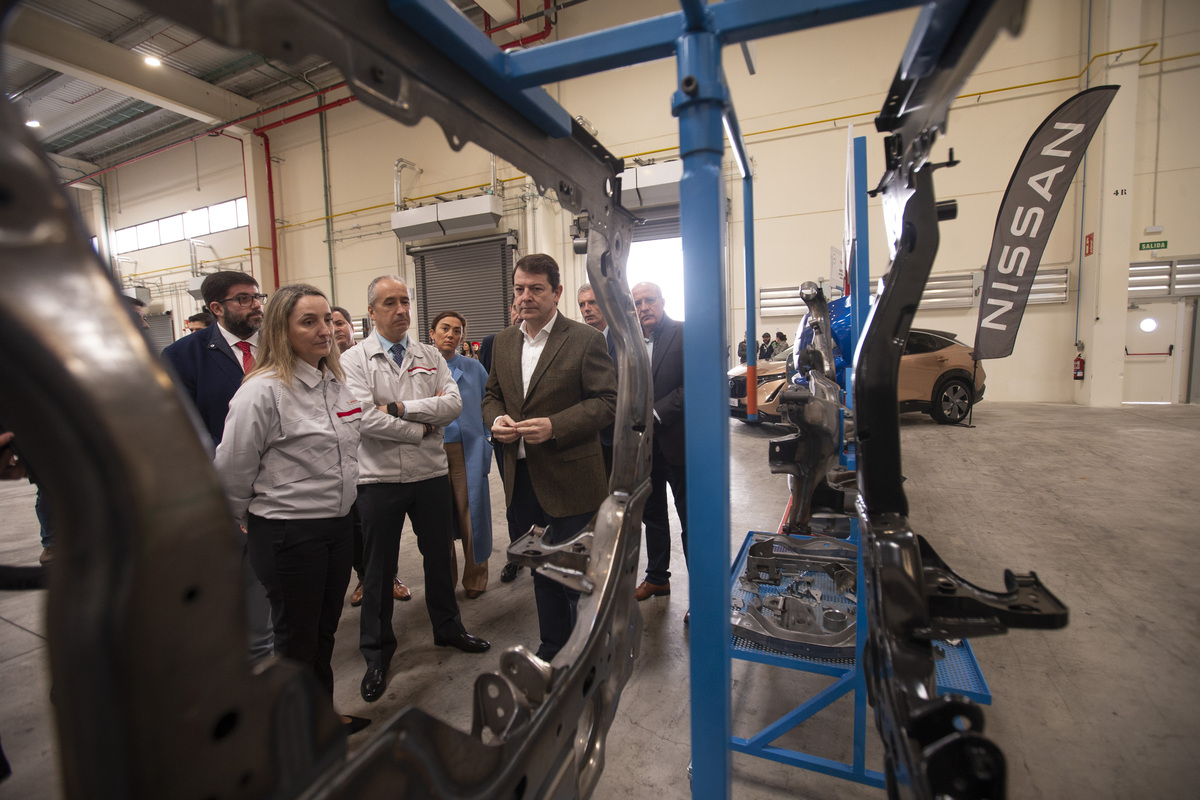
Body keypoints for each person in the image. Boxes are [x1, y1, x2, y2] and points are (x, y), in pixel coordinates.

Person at [214, 283, 368, 735]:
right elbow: (232, 471)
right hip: (288, 532)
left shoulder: (333, 382)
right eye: (309, 321)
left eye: (328, 319)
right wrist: (245, 522)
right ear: (282, 330)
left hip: (338, 527)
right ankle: (296, 735)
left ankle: (318, 716)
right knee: (295, 638)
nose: (325, 330)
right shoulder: (262, 393)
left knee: (323, 632)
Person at [340, 275, 489, 704]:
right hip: (379, 480)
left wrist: (403, 410)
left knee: (439, 559)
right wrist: (422, 428)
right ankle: (377, 653)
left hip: (429, 476)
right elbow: (362, 417)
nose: (401, 309)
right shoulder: (354, 359)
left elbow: (454, 403)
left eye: (405, 301)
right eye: (390, 302)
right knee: (378, 569)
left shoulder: (428, 354)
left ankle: (448, 628)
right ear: (371, 312)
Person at [482, 254, 616, 661]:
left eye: (536, 289)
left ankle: (586, 653)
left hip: (571, 478)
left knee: (577, 573)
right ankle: (552, 646)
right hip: (521, 478)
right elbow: (491, 395)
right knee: (540, 566)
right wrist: (496, 420)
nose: (526, 297)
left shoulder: (584, 339)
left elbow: (607, 402)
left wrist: (555, 426)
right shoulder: (504, 341)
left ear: (556, 293)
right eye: (520, 289)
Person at [161, 270, 273, 659]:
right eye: (243, 299)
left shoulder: (279, 347)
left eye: (256, 296)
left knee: (272, 591)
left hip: (283, 489)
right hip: (221, 495)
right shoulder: (182, 356)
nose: (255, 305)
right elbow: (181, 428)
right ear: (216, 308)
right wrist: (230, 475)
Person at [332, 305, 411, 608]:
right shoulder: (318, 363)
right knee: (353, 527)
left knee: (377, 528)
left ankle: (389, 577)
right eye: (330, 322)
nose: (334, 328)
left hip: (371, 456)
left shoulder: (365, 358)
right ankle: (365, 578)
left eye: (338, 322)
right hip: (337, 458)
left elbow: (382, 408)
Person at [629, 283, 688, 605]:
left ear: (662, 302)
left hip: (678, 444)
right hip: (644, 449)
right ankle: (657, 579)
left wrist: (655, 412)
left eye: (649, 300)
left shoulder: (684, 334)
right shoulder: (630, 342)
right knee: (652, 517)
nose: (644, 307)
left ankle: (702, 595)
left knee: (690, 520)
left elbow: (694, 383)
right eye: (637, 302)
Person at [429, 311, 492, 598]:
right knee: (438, 519)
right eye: (445, 328)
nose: (451, 335)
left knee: (471, 515)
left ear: (463, 337)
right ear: (432, 333)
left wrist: (487, 440)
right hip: (430, 450)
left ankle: (476, 579)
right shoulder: (422, 366)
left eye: (457, 330)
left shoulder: (474, 368)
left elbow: (488, 404)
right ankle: (445, 580)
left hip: (467, 450)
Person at [578, 282, 618, 475]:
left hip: (620, 435)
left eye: (592, 302)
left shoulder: (623, 340)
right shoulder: (578, 342)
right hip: (588, 436)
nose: (587, 309)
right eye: (582, 304)